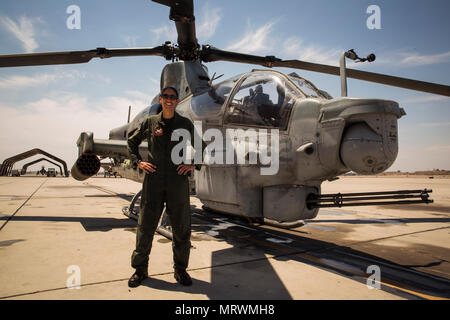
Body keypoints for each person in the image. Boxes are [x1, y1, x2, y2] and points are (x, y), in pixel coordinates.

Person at [127, 86, 205, 288]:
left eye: (173, 97)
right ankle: (140, 269)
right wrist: (138, 162)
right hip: (153, 180)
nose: (169, 100)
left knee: (181, 228)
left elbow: (202, 146)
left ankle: (180, 270)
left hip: (177, 182)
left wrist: (192, 164)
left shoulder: (184, 123)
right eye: (166, 97)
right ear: (161, 100)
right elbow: (132, 142)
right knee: (145, 227)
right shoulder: (150, 122)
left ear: (177, 101)